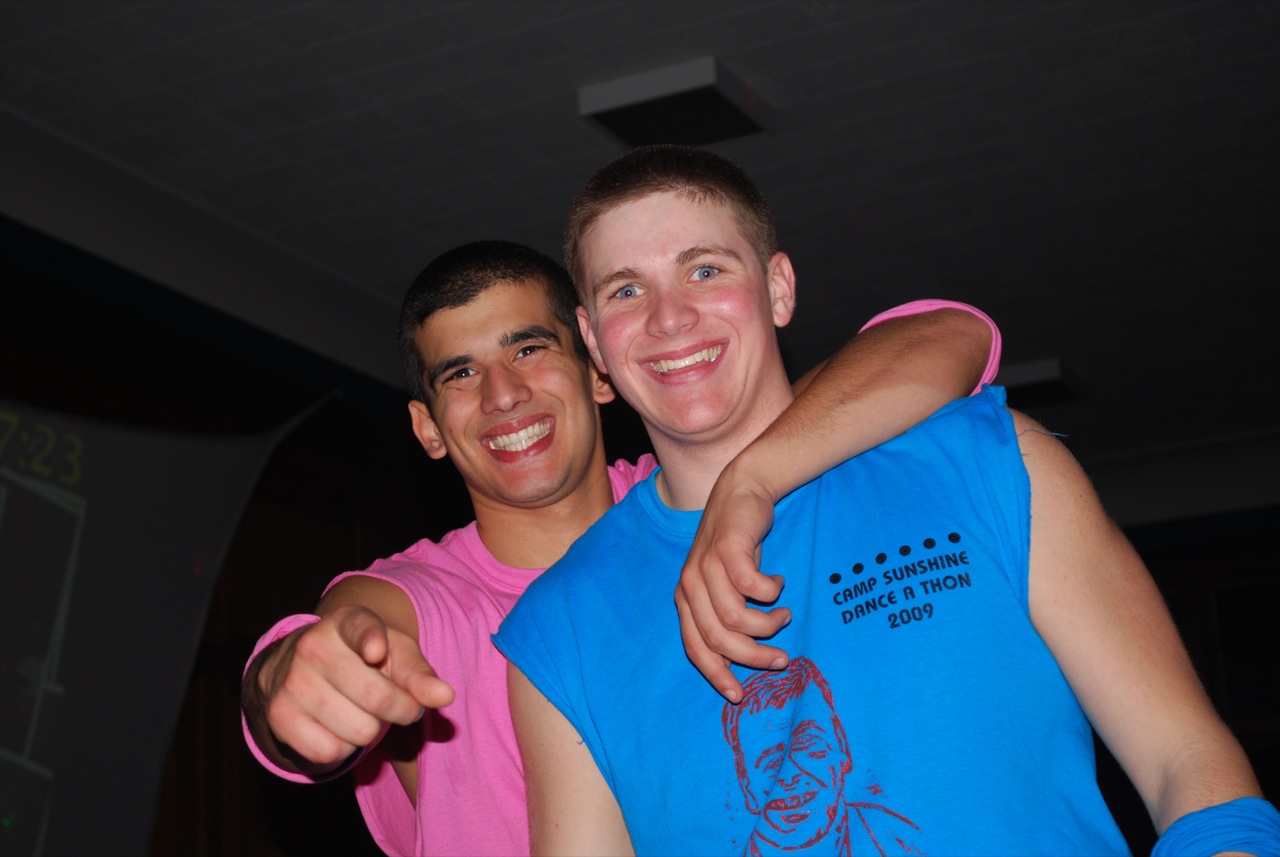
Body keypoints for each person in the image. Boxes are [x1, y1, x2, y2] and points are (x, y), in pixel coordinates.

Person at [495, 145, 1280, 855]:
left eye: (705, 270)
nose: (669, 317)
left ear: (777, 288)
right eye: (627, 290)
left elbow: (1186, 761)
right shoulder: (561, 627)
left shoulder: (985, 461)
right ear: (593, 341)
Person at [240, 239, 999, 856]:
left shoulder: (702, 501)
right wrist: (292, 677)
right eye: (461, 374)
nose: (503, 395)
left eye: (529, 349)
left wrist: (751, 480)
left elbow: (949, 335)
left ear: (598, 371)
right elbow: (335, 640)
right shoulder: (424, 599)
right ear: (428, 428)